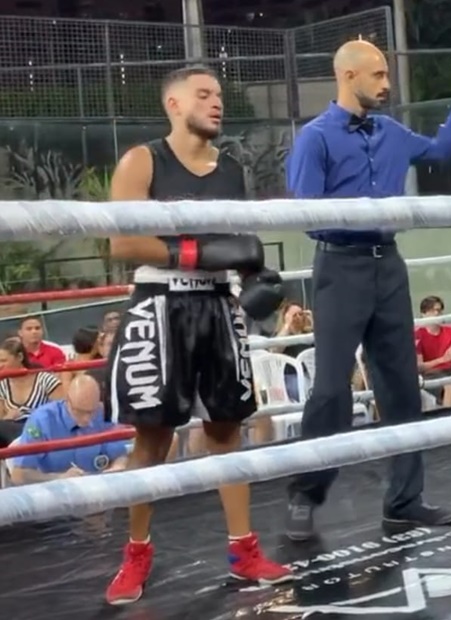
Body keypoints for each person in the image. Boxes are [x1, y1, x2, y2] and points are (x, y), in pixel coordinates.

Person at [102, 64, 291, 606]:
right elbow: (122, 244)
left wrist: (256, 277)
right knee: (153, 438)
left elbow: (239, 243)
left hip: (217, 303)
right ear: (173, 104)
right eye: (203, 94)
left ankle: (244, 550)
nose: (216, 103)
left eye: (219, 95)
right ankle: (136, 554)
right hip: (161, 303)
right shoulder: (143, 160)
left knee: (228, 430)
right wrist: (196, 252)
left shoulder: (231, 170)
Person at [283, 39, 451, 540]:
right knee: (330, 388)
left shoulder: (391, 132)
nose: (387, 84)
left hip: (388, 266)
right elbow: (305, 215)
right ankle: (305, 495)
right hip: (340, 267)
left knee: (401, 388)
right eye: (376, 74)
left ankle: (405, 501)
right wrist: (362, 212)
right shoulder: (316, 137)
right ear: (347, 76)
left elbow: (440, 150)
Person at [8, 374, 129, 485]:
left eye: (92, 411)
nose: (87, 419)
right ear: (67, 401)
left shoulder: (104, 413)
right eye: (80, 411)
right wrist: (59, 478)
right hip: (55, 496)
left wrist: (117, 468)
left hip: (99, 492)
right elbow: (19, 475)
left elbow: (120, 454)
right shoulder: (42, 420)